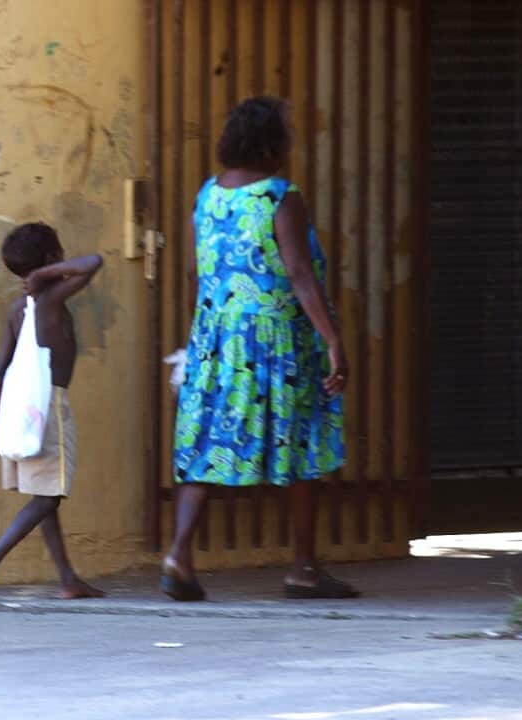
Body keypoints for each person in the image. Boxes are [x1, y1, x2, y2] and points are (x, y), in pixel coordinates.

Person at [163, 96, 359, 601]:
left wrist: (199, 339)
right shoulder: (279, 197)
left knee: (203, 442)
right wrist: (333, 340)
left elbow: (194, 273)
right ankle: (303, 568)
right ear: (273, 144)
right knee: (300, 443)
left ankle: (179, 554)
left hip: (215, 339)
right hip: (277, 343)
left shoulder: (207, 195)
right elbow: (298, 274)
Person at [0, 222, 104, 609]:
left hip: (16, 408)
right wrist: (45, 275)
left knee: (42, 495)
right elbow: (93, 263)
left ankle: (67, 577)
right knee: (49, 497)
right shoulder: (52, 298)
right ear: (50, 260)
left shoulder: (18, 308)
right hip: (48, 408)